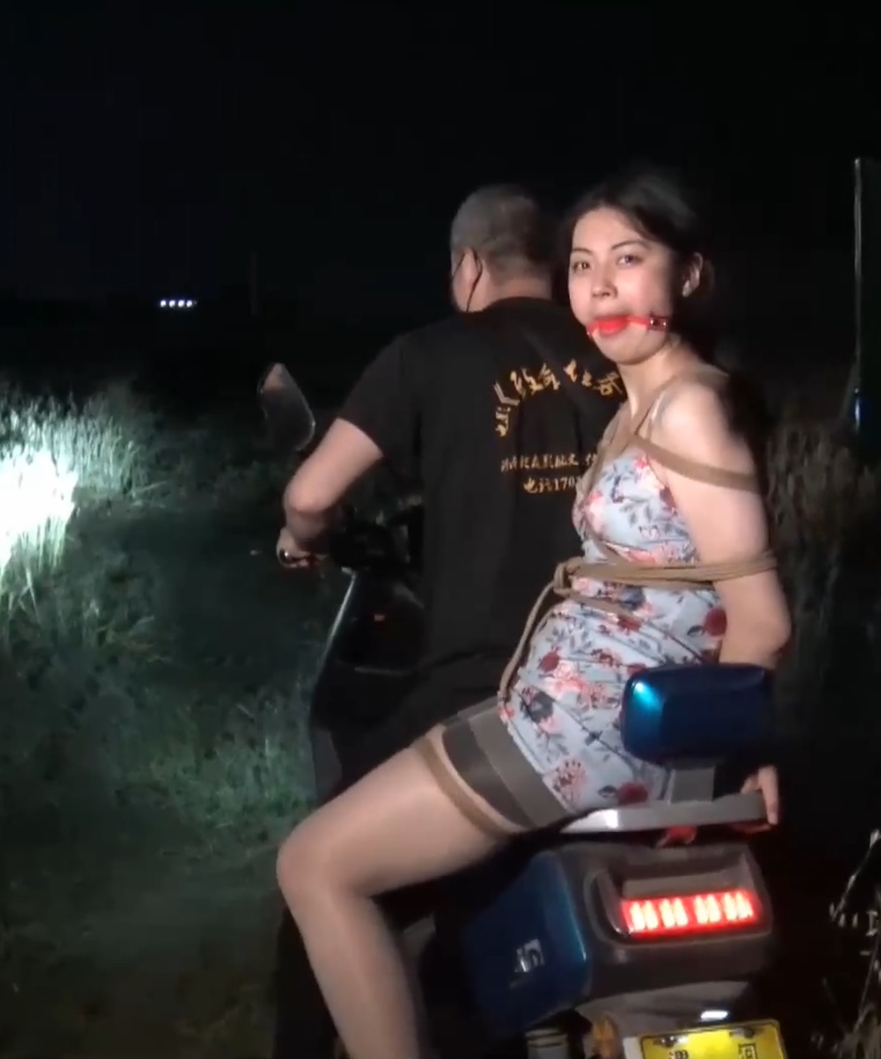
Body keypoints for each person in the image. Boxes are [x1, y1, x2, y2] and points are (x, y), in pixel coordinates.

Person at [273, 165, 793, 1059]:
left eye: (628, 259)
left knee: (315, 865)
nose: (601, 287)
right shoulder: (641, 402)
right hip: (567, 709)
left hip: (578, 731)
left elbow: (760, 618)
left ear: (690, 274)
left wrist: (729, 757)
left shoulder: (690, 408)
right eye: (583, 265)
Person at [268, 184, 623, 1058]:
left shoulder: (427, 355)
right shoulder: (623, 353)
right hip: (624, 691)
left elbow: (311, 493)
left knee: (319, 870)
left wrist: (301, 537)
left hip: (489, 692)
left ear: (468, 267)